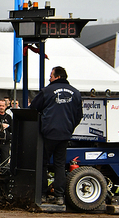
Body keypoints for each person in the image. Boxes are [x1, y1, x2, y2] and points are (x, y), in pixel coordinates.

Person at [30, 66, 82, 205]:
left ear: (57, 77)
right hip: (65, 134)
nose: (49, 78)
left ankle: (42, 194)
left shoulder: (47, 91)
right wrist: (70, 128)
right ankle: (59, 196)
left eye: (51, 76)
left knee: (43, 163)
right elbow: (79, 116)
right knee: (59, 165)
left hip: (48, 133)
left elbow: (33, 107)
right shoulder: (76, 93)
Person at [0, 100, 12, 167]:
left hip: (5, 142)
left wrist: (8, 126)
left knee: (5, 158)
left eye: (3, 106)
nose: (1, 107)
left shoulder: (8, 117)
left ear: (6, 106)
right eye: (0, 106)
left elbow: (12, 129)